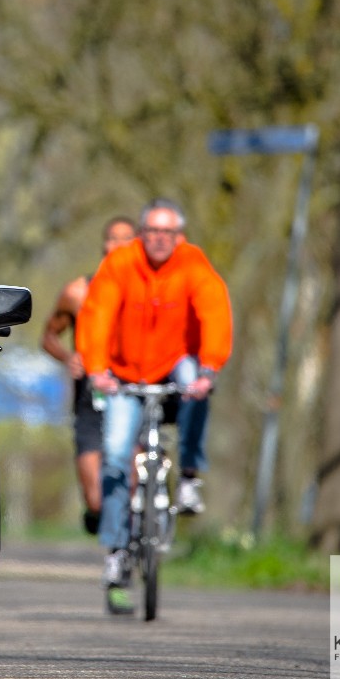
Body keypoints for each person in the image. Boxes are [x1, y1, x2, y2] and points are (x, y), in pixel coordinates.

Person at [75, 197, 232, 615]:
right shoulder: (121, 264)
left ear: (179, 236)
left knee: (197, 385)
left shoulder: (193, 263)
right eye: (153, 231)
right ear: (142, 234)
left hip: (174, 362)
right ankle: (116, 552)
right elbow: (97, 315)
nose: (161, 239)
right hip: (125, 372)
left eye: (169, 232)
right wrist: (97, 370)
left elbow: (214, 310)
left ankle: (190, 475)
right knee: (115, 456)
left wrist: (210, 368)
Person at [41, 216, 136, 535]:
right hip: (91, 398)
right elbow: (48, 336)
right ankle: (100, 516)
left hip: (133, 390)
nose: (119, 244)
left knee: (131, 487)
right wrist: (69, 358)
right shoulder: (78, 292)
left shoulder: (150, 293)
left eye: (127, 238)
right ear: (103, 244)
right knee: (97, 499)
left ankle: (134, 544)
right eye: (113, 237)